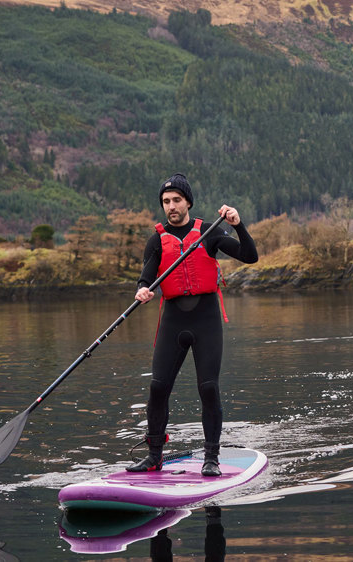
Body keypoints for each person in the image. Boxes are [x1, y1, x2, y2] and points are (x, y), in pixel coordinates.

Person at [128, 173, 258, 476]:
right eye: (165, 202)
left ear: (187, 202)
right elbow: (146, 276)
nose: (171, 206)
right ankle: (154, 456)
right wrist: (142, 289)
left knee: (209, 388)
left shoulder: (209, 233)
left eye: (176, 200)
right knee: (157, 388)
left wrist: (238, 224)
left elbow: (250, 256)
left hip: (206, 318)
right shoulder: (157, 240)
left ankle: (211, 458)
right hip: (173, 319)